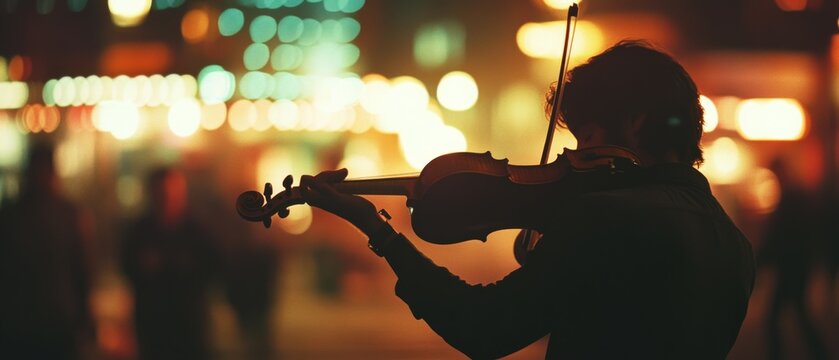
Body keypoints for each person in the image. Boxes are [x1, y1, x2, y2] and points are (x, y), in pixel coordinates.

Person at [299, 40, 756, 359]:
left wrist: (379, 231)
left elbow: (483, 327)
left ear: (635, 126)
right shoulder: (732, 242)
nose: (573, 157)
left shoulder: (607, 217)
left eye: (587, 136)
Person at [0, 144, 94, 359]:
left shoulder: (11, 216)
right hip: (34, 320)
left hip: (45, 320)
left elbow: (81, 269)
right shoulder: (11, 218)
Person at [121, 167, 219, 360]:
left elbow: (213, 267)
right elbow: (127, 266)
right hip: (153, 322)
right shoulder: (139, 231)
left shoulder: (197, 230)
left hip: (190, 322)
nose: (167, 197)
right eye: (161, 192)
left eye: (172, 191)